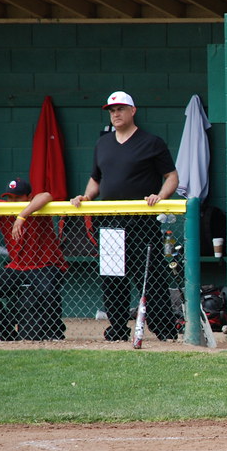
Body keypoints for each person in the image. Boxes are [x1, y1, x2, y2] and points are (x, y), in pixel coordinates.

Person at [70, 91, 180, 342]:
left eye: (120, 109)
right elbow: (95, 179)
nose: (116, 114)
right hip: (108, 222)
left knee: (150, 277)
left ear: (133, 110)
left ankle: (164, 329)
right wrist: (86, 197)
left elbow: (171, 177)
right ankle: (118, 328)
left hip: (140, 221)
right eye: (112, 110)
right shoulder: (103, 143)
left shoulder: (152, 142)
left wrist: (160, 197)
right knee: (112, 278)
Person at [0, 178, 68, 341]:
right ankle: (6, 334)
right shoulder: (3, 208)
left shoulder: (35, 205)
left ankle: (54, 333)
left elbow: (46, 195)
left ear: (28, 197)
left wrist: (22, 217)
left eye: (18, 197)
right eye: (10, 198)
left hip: (45, 264)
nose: (13, 201)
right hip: (17, 266)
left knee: (47, 291)